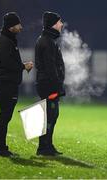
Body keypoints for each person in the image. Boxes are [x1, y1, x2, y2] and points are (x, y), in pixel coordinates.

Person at [0, 12, 33, 157]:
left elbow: (10, 63)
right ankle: (1, 149)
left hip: (9, 83)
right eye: (18, 24)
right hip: (6, 84)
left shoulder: (8, 40)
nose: (21, 27)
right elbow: (8, 64)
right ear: (11, 27)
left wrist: (22, 65)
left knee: (6, 116)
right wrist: (23, 67)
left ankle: (2, 148)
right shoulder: (4, 41)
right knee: (5, 116)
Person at [35, 11, 65, 156]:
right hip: (49, 85)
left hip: (48, 84)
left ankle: (47, 146)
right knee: (50, 115)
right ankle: (44, 147)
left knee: (50, 115)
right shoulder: (46, 42)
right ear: (53, 24)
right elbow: (50, 67)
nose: (62, 24)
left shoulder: (47, 40)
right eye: (60, 22)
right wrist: (58, 86)